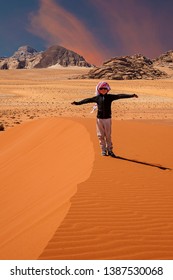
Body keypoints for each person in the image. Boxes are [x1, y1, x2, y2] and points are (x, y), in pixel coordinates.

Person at [71, 81, 138, 157]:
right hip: (99, 119)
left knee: (108, 135)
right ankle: (103, 150)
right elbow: (87, 100)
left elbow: (120, 96)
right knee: (100, 135)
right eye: (101, 88)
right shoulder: (97, 98)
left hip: (107, 119)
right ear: (98, 90)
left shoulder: (110, 97)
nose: (103, 90)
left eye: (105, 88)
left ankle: (110, 150)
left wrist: (131, 95)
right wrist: (77, 103)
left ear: (107, 89)